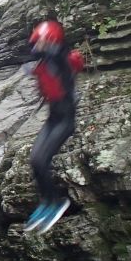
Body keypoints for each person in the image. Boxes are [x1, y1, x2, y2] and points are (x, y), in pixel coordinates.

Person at [22, 19, 85, 234]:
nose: (36, 47)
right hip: (53, 119)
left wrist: (48, 41)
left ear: (50, 43)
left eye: (40, 43)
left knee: (41, 160)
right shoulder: (43, 63)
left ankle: (57, 202)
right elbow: (33, 58)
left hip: (65, 121)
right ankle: (46, 202)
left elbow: (61, 55)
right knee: (34, 160)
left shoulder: (62, 61)